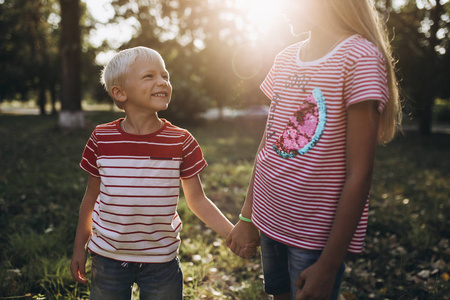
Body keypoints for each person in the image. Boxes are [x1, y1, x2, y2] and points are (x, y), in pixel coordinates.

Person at [226, 0, 402, 299]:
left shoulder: (359, 57)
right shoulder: (284, 58)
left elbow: (360, 173)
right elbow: (269, 145)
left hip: (313, 236)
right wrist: (247, 217)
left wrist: (329, 264)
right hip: (269, 218)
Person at [70, 46, 239, 300]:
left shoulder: (181, 141)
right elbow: (90, 199)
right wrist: (79, 247)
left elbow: (197, 200)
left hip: (161, 260)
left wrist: (231, 233)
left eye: (165, 76)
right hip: (108, 258)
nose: (162, 82)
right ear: (120, 92)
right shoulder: (101, 138)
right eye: (149, 76)